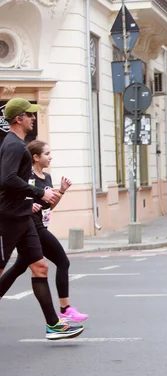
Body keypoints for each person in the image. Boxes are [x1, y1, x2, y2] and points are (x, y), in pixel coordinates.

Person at [0, 98, 83, 339]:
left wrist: (36, 198)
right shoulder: (14, 146)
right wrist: (39, 192)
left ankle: (54, 325)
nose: (33, 118)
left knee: (40, 266)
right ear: (18, 118)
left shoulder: (17, 144)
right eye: (29, 114)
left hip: (22, 216)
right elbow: (7, 179)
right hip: (7, 217)